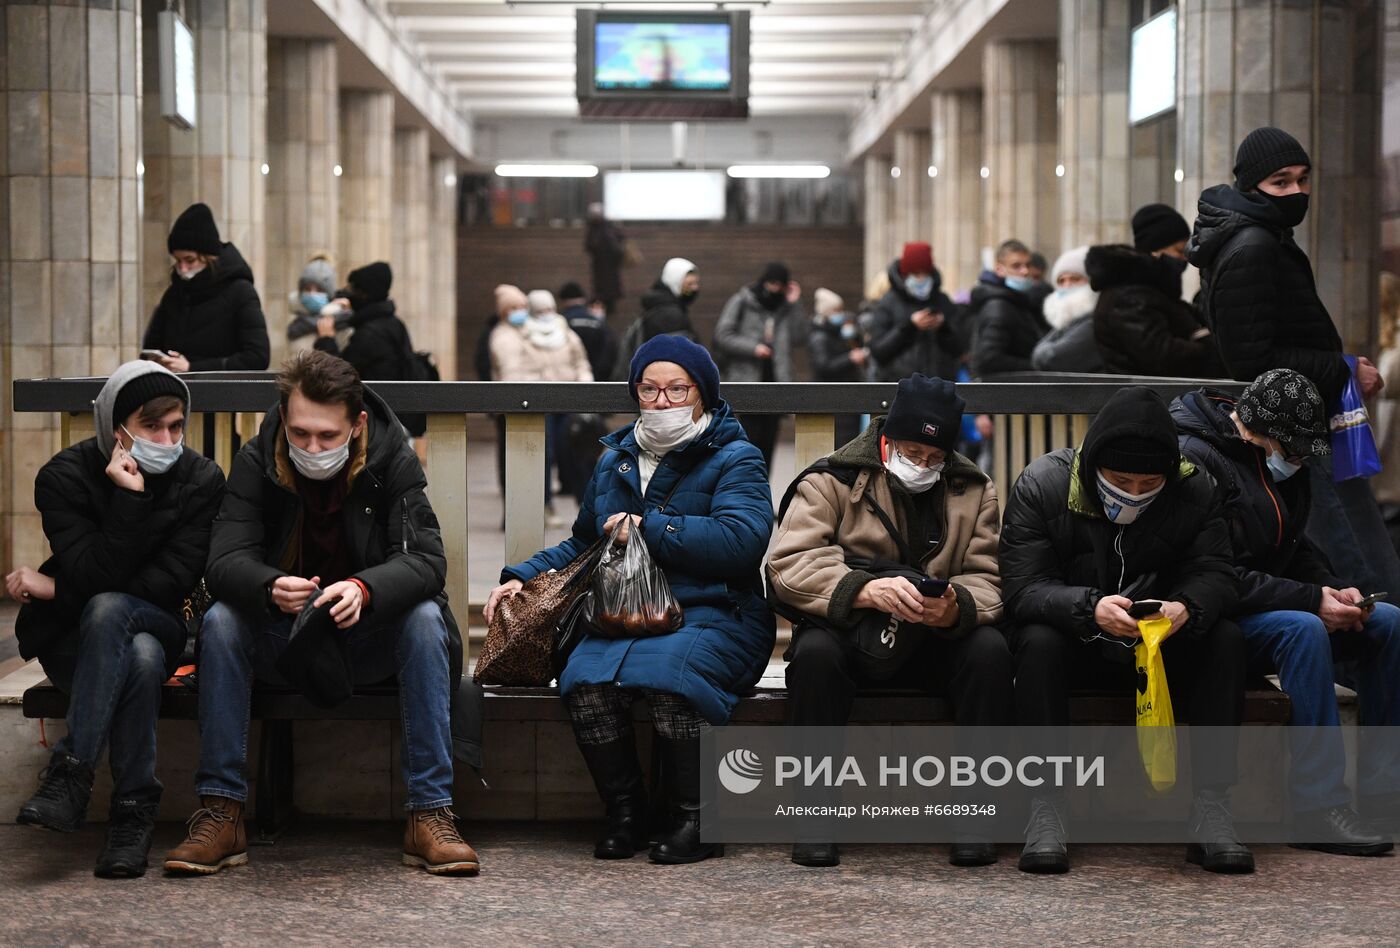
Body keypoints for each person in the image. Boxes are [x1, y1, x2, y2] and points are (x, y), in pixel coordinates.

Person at [163, 350, 478, 876]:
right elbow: (223, 563)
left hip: (366, 639)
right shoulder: (256, 459)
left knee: (424, 619)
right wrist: (268, 587)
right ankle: (222, 811)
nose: (312, 447)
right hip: (284, 640)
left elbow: (427, 562)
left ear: (356, 425)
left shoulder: (391, 459)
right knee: (221, 621)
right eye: (301, 432)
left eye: (327, 436)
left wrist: (364, 588)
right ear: (284, 418)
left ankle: (430, 813)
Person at [486, 335, 775, 865]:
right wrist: (521, 576)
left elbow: (742, 541)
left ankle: (698, 818)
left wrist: (652, 528)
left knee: (671, 678)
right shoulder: (616, 458)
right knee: (583, 680)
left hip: (716, 609)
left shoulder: (737, 457)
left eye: (676, 389)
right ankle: (627, 813)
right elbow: (583, 541)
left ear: (702, 395)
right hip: (623, 611)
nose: (662, 402)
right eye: (649, 389)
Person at [1000, 387, 1251, 875]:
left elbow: (1217, 572)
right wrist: (1088, 608)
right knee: (1036, 643)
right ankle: (1046, 805)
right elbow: (1022, 589)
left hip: (1157, 642)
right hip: (1076, 638)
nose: (1134, 493)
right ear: (1093, 465)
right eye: (1120, 481)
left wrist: (1186, 608)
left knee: (1225, 640)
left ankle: (1211, 807)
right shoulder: (1044, 484)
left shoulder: (1194, 488)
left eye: (1148, 482)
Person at [768, 374, 1014, 868]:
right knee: (814, 657)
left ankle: (975, 813)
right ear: (885, 440)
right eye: (911, 452)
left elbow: (991, 579)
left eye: (933, 458)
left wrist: (956, 606)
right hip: (853, 636)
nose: (922, 466)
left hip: (933, 639)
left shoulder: (974, 490)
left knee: (990, 652)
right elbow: (789, 564)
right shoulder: (831, 480)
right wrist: (865, 590)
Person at [8, 362, 224, 878]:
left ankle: (72, 773)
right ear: (115, 429)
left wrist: (58, 587)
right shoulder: (64, 477)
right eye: (151, 427)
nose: (167, 439)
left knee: (113, 609)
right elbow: (93, 571)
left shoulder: (200, 479)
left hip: (160, 618)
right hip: (74, 639)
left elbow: (168, 585)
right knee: (141, 657)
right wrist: (128, 498)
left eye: (176, 426)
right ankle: (133, 813)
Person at [1172, 370, 1398, 854]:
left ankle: (1385, 791)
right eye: (1292, 451)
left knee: (1388, 622)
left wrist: (1335, 590)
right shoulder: (1196, 460)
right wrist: (1310, 600)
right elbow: (1215, 577)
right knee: (1302, 630)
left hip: (1274, 600)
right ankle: (1318, 807)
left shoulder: (1281, 463)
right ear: (1256, 431)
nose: (1296, 462)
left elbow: (1294, 547)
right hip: (1216, 620)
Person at [1190, 126, 1400, 599]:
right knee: (1359, 565)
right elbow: (1254, 360)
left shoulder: (1262, 238)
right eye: (1281, 182)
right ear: (1251, 186)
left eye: (1303, 180)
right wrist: (1344, 368)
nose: (1298, 192)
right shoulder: (1254, 247)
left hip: (1304, 423)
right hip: (1299, 427)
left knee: (1348, 554)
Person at [490, 288, 593, 518]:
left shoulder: (561, 331)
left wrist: (583, 386)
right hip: (534, 403)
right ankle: (539, 507)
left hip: (565, 400)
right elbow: (512, 371)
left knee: (573, 452)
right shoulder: (514, 334)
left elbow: (580, 362)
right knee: (540, 455)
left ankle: (584, 505)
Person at [1088, 204, 1224, 378]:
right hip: (1144, 398)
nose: (1185, 259)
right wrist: (1206, 344)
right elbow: (1161, 355)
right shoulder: (1128, 298)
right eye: (1178, 251)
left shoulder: (1152, 291)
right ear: (1155, 250)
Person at [142, 202, 270, 372]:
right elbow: (151, 346)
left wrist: (192, 367)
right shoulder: (174, 295)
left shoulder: (240, 292)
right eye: (178, 261)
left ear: (208, 258)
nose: (183, 269)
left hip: (223, 395)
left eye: (190, 260)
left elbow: (257, 357)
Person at [313, 262, 425, 437]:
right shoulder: (392, 323)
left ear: (364, 294)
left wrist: (326, 339)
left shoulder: (370, 334)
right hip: (395, 415)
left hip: (378, 422)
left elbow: (338, 374)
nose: (348, 294)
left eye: (353, 289)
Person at [713, 261, 803, 470]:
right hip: (747, 381)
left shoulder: (784, 307)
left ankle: (761, 492)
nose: (775, 289)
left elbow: (800, 336)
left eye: (780, 285)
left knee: (768, 447)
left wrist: (795, 303)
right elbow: (722, 335)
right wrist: (753, 348)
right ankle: (743, 487)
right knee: (747, 443)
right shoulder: (743, 301)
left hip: (776, 382)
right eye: (772, 283)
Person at [861, 241, 963, 383]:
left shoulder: (942, 301)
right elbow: (878, 351)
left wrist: (943, 327)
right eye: (915, 274)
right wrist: (909, 326)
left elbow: (960, 347)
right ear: (905, 275)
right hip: (899, 387)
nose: (921, 279)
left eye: (925, 273)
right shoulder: (888, 303)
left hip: (939, 387)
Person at [968, 239, 1046, 378]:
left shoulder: (1017, 301)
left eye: (1028, 265)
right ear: (999, 269)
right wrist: (1035, 366)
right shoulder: (999, 307)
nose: (1025, 271)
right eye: (1016, 266)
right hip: (1001, 394)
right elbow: (988, 359)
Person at [615, 258, 701, 373]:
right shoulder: (671, 315)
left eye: (696, 283)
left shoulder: (657, 308)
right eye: (689, 284)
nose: (695, 288)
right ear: (676, 282)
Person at [807, 287, 869, 446]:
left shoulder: (842, 333)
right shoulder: (819, 336)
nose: (840, 314)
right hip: (832, 397)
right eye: (836, 310)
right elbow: (823, 366)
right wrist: (849, 358)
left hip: (847, 396)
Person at [1031, 246, 1102, 374]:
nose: (1067, 285)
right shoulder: (1071, 321)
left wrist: (1040, 353)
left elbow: (1054, 357)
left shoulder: (1094, 321)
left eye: (1075, 279)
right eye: (1061, 281)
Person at [1373, 272, 1400, 512]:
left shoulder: (1397, 339)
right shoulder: (1382, 337)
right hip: (1381, 426)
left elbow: (1390, 382)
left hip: (1391, 432)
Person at [559, 280, 620, 382]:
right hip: (598, 379)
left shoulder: (562, 322)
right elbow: (610, 348)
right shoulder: (598, 323)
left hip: (570, 379)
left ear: (563, 300)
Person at [286, 252, 343, 353]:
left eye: (319, 290)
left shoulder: (341, 323)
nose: (312, 294)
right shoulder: (296, 323)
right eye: (308, 289)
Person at [584, 203, 626, 315]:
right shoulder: (604, 227)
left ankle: (606, 310)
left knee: (605, 291)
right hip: (604, 266)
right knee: (606, 290)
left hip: (605, 266)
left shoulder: (600, 229)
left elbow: (589, 245)